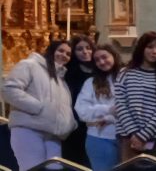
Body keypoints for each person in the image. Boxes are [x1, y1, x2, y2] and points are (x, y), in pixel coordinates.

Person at [2, 40, 77, 169]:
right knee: (32, 168)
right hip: (29, 129)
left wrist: (70, 124)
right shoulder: (30, 65)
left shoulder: (60, 79)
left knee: (55, 168)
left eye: (68, 54)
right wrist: (38, 108)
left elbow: (62, 108)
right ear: (50, 50)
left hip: (53, 134)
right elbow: (9, 89)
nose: (64, 55)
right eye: (60, 50)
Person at [115, 31, 156, 160]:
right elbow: (120, 104)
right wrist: (134, 134)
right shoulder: (125, 72)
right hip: (129, 136)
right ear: (142, 48)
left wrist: (143, 135)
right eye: (150, 47)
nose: (154, 51)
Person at [76, 44, 122, 171]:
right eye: (97, 60)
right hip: (100, 138)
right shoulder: (91, 82)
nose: (101, 62)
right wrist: (107, 110)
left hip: (127, 138)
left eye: (104, 57)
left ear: (114, 55)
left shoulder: (127, 78)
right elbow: (82, 111)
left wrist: (108, 118)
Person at [64, 35, 95, 167]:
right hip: (74, 123)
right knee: (74, 162)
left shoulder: (100, 69)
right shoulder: (68, 71)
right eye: (79, 49)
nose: (85, 52)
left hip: (95, 122)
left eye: (88, 48)